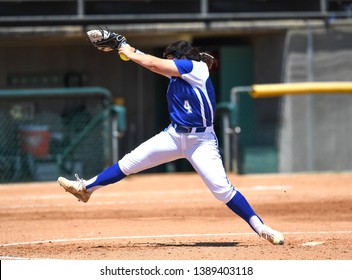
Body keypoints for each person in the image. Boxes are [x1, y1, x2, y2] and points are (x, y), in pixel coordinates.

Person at [58, 40, 284, 245]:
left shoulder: (195, 68)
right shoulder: (179, 71)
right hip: (173, 136)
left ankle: (261, 227)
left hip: (201, 141)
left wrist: (126, 48)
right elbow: (151, 64)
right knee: (128, 164)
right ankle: (85, 188)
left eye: (171, 58)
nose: (169, 63)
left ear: (182, 56)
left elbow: (154, 64)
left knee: (222, 190)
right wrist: (125, 47)